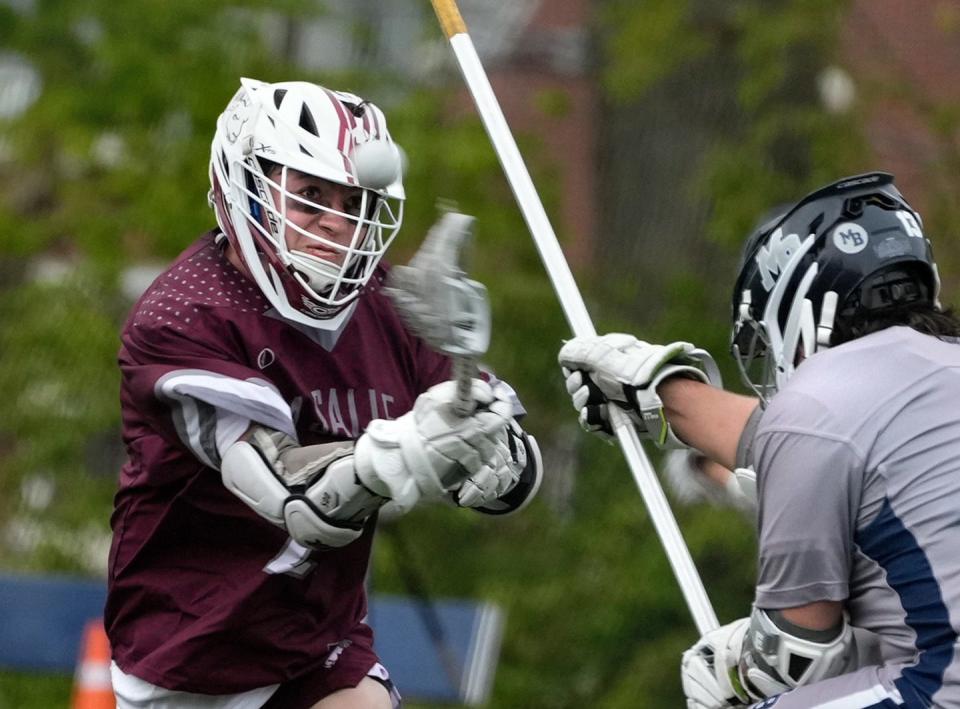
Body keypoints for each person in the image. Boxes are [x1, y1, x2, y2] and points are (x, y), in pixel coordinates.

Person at [105, 77, 542, 709]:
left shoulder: (389, 305)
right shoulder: (183, 315)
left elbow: (510, 465)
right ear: (247, 189)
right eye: (310, 198)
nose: (335, 228)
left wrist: (487, 442)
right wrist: (407, 447)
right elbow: (290, 494)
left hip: (318, 646)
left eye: (353, 204)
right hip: (186, 655)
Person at [557, 172, 960, 708]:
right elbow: (823, 440)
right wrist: (663, 393)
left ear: (796, 304)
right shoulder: (929, 373)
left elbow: (797, 654)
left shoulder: (816, 404)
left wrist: (735, 671)